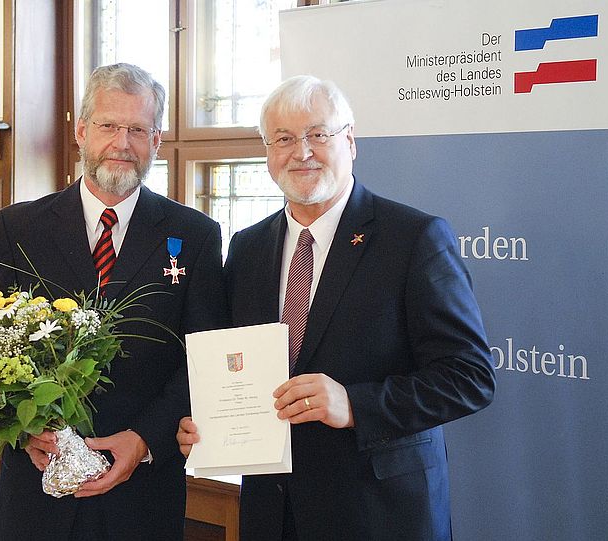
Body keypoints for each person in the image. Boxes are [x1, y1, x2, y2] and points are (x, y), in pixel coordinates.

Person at [177, 75, 495, 540]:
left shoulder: (413, 239)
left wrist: (355, 404)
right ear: (267, 151)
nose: (301, 152)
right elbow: (230, 364)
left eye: (317, 135)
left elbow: (470, 377)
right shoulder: (247, 248)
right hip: (273, 512)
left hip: (380, 513)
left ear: (350, 140)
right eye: (283, 138)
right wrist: (203, 424)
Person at [0, 63, 227, 541]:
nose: (122, 143)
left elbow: (205, 357)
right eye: (109, 126)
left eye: (137, 129)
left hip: (144, 496)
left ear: (156, 139)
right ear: (82, 131)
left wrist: (145, 440)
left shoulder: (195, 236)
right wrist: (26, 429)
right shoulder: (19, 228)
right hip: (37, 495)